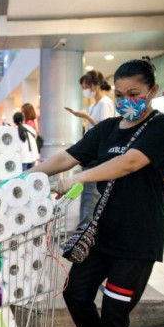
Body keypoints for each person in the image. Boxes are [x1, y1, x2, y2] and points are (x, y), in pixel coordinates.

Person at [32, 58, 164, 327]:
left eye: (135, 93)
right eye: (121, 93)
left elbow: (129, 163)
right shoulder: (108, 128)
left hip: (138, 239)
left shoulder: (163, 126)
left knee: (115, 310)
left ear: (152, 92)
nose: (128, 99)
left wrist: (81, 177)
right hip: (102, 234)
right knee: (76, 293)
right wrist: (26, 178)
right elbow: (67, 157)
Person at [65, 69, 116, 229]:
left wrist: (86, 116)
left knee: (90, 194)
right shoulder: (95, 104)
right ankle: (84, 227)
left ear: (95, 85)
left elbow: (105, 129)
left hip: (98, 156)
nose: (85, 90)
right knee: (87, 193)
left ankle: (86, 229)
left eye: (86, 86)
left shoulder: (105, 103)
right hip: (92, 155)